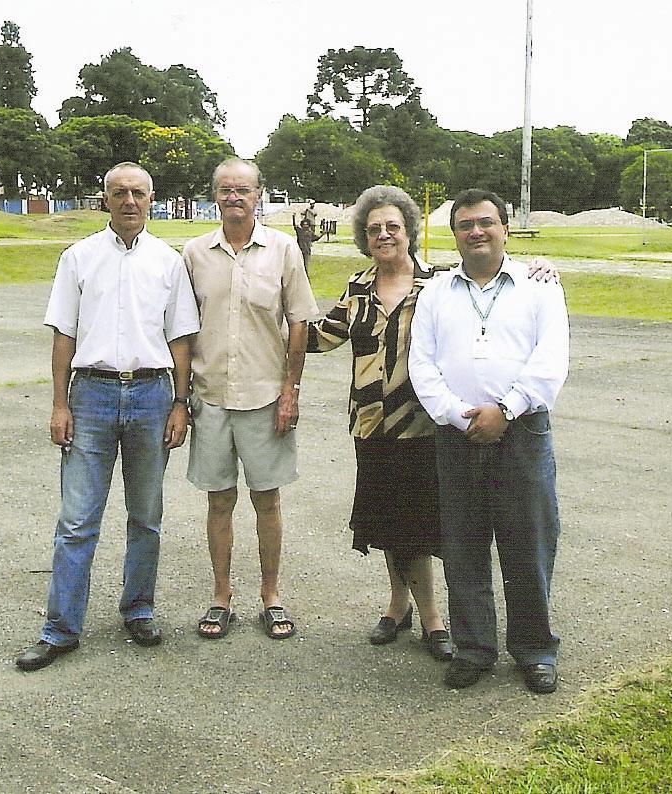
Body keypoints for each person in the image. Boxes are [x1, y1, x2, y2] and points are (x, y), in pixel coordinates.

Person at [16, 162, 200, 672]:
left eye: (138, 193)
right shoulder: (77, 259)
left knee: (146, 517)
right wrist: (59, 403)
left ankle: (138, 609)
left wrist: (181, 403)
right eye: (119, 193)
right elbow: (63, 336)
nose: (129, 201)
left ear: (151, 198)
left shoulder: (169, 262)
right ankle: (60, 629)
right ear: (105, 200)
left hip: (151, 397)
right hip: (91, 396)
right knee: (76, 521)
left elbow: (180, 338)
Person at [409, 188, 569, 694]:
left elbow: (551, 359)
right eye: (465, 225)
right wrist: (459, 416)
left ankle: (535, 649)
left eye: (486, 222)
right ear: (454, 233)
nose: (476, 232)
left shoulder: (539, 286)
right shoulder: (435, 292)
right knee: (464, 548)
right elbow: (422, 365)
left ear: (505, 228)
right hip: (458, 437)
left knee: (529, 545)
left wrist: (506, 409)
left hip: (522, 433)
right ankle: (474, 649)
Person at [306, 185, 452, 660]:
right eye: (374, 230)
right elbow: (321, 338)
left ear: (409, 229)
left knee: (418, 524)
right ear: (364, 238)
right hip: (370, 426)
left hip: (421, 426)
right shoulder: (357, 289)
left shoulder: (438, 287)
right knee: (387, 522)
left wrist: (540, 271)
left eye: (393, 227)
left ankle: (432, 617)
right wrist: (267, 317)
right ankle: (397, 605)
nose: (384, 235)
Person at [182, 157, 319, 640]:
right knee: (219, 502)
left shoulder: (282, 250)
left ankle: (271, 595)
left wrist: (290, 390)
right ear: (214, 196)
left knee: (267, 501)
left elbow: (299, 322)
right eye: (225, 190)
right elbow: (181, 328)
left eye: (243, 189)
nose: (234, 197)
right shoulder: (194, 253)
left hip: (266, 397)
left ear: (259, 195)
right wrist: (182, 400)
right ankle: (221, 596)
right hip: (212, 397)